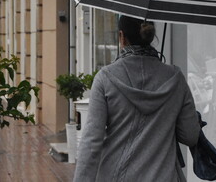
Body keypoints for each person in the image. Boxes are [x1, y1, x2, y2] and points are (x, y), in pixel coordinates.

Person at [73, 15, 201, 182]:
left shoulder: (105, 78)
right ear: (149, 36)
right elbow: (190, 135)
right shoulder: (175, 78)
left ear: (121, 36)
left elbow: (91, 142)